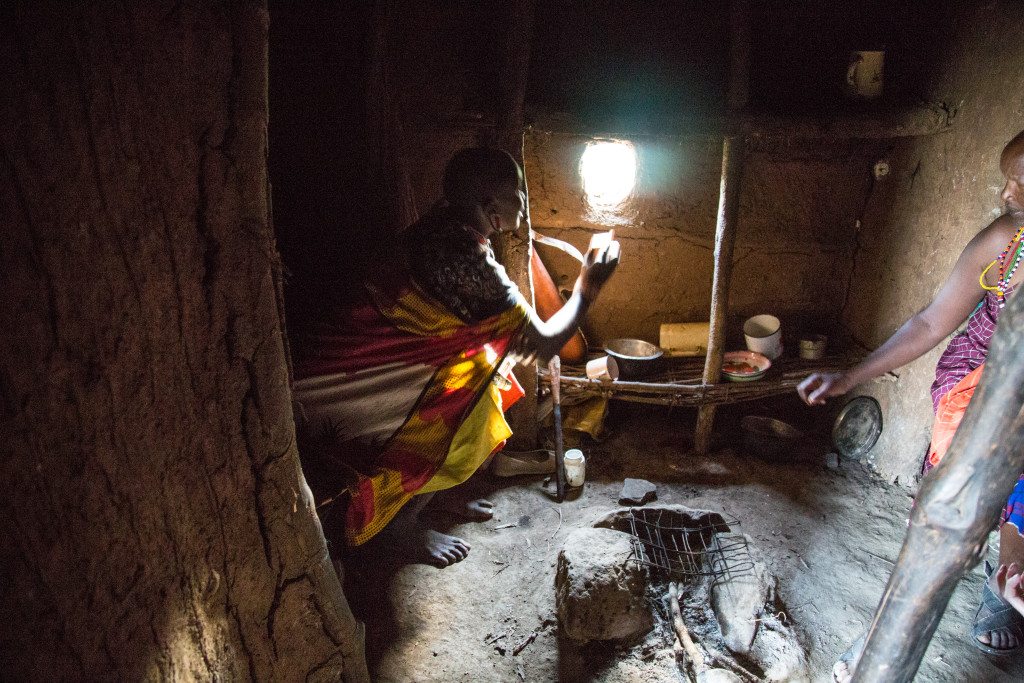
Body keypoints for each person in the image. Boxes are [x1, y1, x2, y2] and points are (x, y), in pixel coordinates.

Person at [290, 147, 619, 568]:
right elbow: (543, 346)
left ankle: (433, 502)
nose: (524, 201)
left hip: (383, 355)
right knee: (453, 414)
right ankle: (400, 533)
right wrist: (588, 286)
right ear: (491, 208)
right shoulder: (467, 263)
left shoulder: (448, 227)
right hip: (356, 377)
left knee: (482, 385)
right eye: (517, 193)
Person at [798, 129, 1024, 681]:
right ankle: (881, 640)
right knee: (957, 503)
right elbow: (930, 320)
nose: (1007, 195)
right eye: (1007, 180)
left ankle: (1007, 576)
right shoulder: (1007, 243)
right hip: (983, 387)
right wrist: (851, 375)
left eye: (1023, 183)